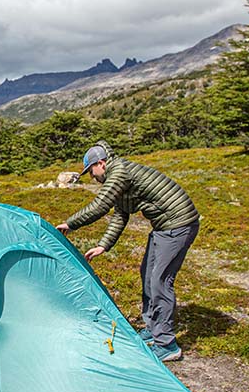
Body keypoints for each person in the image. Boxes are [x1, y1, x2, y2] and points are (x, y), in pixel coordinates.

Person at [56, 140, 199, 362]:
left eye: (91, 171)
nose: (92, 177)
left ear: (101, 164)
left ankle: (167, 344)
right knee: (147, 274)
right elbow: (120, 213)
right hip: (164, 227)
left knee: (160, 281)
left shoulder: (119, 172)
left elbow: (100, 205)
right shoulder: (120, 175)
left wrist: (71, 223)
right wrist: (104, 244)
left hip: (178, 226)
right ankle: (153, 329)